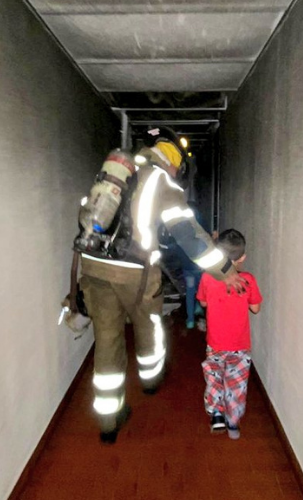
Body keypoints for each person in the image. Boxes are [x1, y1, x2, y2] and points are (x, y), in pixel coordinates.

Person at [78, 127, 246, 444]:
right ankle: (151, 380)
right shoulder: (163, 181)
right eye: (178, 167)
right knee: (150, 326)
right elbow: (190, 237)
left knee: (107, 340)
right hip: (136, 274)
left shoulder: (119, 174)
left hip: (95, 266)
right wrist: (226, 270)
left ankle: (108, 421)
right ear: (173, 161)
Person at [197, 229, 262, 440]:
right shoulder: (248, 280)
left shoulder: (207, 278)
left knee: (214, 376)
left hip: (215, 343)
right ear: (243, 257)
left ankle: (217, 413)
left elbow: (204, 302)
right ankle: (233, 423)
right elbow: (256, 308)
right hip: (240, 345)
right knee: (236, 383)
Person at [172, 202, 207, 329]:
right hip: (199, 266)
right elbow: (205, 237)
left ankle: (190, 320)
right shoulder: (198, 226)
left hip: (187, 267)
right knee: (201, 289)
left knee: (190, 290)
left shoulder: (179, 230)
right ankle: (198, 308)